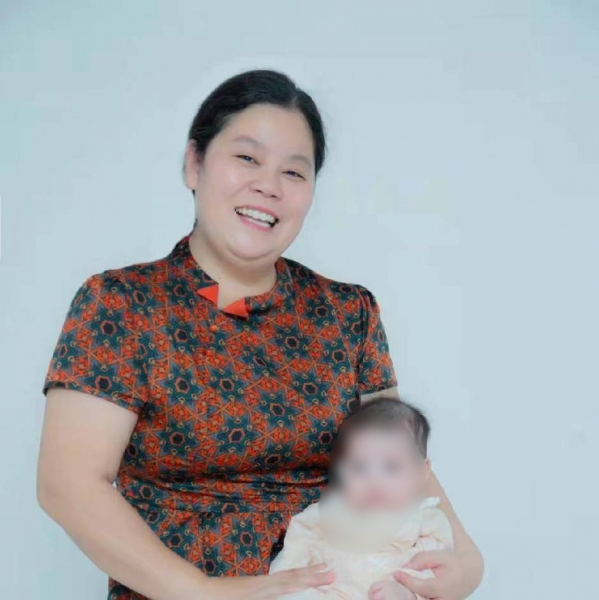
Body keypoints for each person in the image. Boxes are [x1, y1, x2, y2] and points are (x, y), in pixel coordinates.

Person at [37, 69, 483, 600]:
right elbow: (68, 486)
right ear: (194, 163)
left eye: (294, 172)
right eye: (247, 158)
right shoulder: (122, 304)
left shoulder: (350, 313)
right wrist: (204, 591)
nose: (269, 186)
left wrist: (466, 563)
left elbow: (399, 457)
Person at [269, 396, 453, 600]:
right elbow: (297, 545)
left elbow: (437, 572)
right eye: (359, 468)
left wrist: (408, 593)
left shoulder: (425, 519)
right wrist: (282, 584)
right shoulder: (329, 511)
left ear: (421, 472)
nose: (374, 481)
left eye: (391, 467)